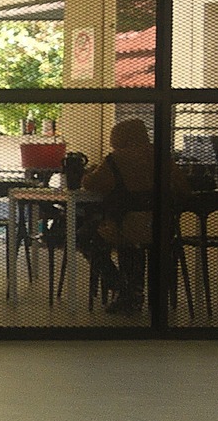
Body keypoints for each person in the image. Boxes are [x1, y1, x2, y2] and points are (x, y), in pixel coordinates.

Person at [79, 118, 186, 314]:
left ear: (120, 138)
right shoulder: (162, 157)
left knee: (84, 236)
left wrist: (90, 171)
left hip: (127, 226)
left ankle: (120, 285)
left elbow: (91, 184)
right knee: (133, 243)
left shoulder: (116, 159)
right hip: (163, 227)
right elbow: (183, 187)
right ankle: (146, 295)